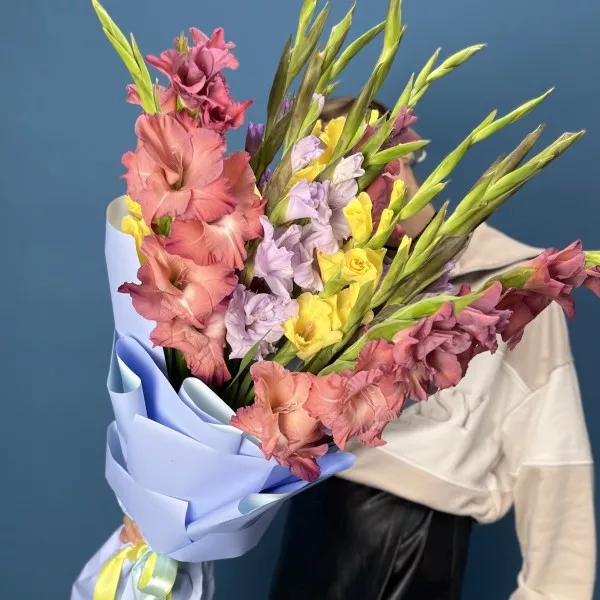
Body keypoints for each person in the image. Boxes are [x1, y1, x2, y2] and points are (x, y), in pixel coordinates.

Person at [269, 98, 596, 600]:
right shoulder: (309, 279)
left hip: (408, 546)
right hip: (308, 524)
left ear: (398, 160)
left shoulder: (513, 287)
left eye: (351, 172)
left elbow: (554, 461)